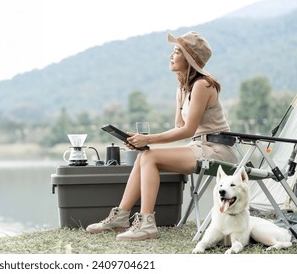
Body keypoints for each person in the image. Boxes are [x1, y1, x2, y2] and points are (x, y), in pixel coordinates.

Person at [86, 31, 238, 241]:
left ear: (190, 59)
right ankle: (122, 216)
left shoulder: (203, 85)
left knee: (149, 155)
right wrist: (141, 142)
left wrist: (147, 139)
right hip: (197, 148)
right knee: (145, 155)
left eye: (176, 51)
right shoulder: (183, 87)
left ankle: (146, 224)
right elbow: (178, 126)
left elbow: (187, 131)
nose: (170, 55)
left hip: (217, 151)